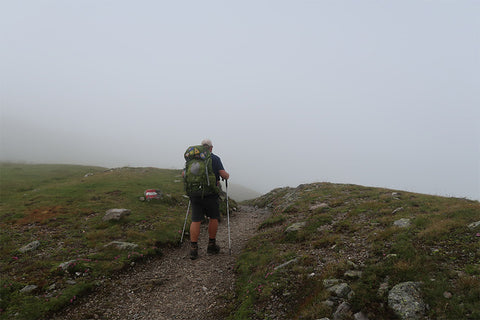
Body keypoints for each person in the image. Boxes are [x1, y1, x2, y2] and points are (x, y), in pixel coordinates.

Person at [189, 139, 229, 260]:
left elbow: (183, 174)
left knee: (196, 219)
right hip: (211, 194)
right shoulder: (215, 158)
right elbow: (223, 175)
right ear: (211, 148)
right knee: (213, 217)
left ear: (201, 147)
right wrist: (227, 176)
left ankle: (193, 249)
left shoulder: (193, 159)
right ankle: (211, 245)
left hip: (195, 193)